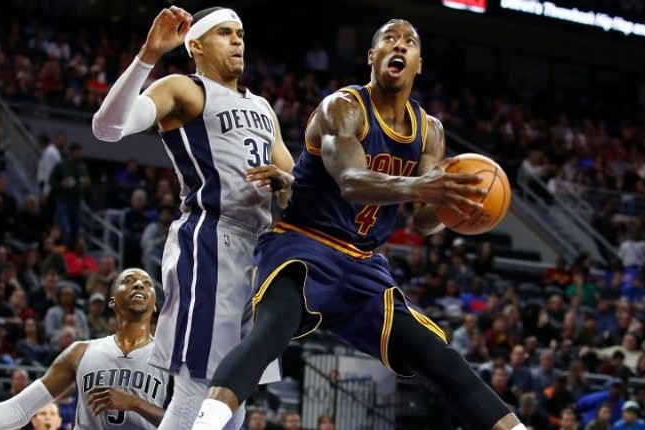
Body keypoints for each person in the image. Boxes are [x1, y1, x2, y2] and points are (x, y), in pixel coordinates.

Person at [193, 19, 526, 430]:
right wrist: (424, 185)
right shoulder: (344, 107)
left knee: (440, 358)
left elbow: (424, 222)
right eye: (389, 39)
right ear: (373, 57)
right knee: (271, 334)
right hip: (303, 243)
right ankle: (204, 424)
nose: (399, 45)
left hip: (363, 265)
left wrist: (454, 207)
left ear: (418, 63)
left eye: (410, 42)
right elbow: (351, 182)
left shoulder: (430, 131)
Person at [91, 6, 295, 430]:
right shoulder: (184, 88)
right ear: (197, 45)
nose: (238, 40)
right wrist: (149, 55)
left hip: (260, 250)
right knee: (197, 386)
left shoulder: (261, 106)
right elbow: (107, 128)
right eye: (225, 33)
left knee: (234, 387)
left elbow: (294, 188)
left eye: (240, 33)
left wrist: (286, 182)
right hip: (211, 239)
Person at [0, 268, 169, 430]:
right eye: (129, 281)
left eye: (147, 284)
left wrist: (135, 403)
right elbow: (18, 409)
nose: (139, 285)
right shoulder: (80, 352)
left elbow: (189, 423)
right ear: (112, 301)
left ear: (154, 303)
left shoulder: (170, 357)